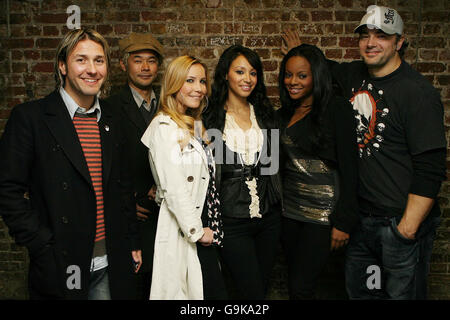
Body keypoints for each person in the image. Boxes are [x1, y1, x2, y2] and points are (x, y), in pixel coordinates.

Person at [281, 5, 446, 299]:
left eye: (382, 36)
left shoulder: (417, 93)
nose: (371, 42)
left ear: (399, 42)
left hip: (397, 221)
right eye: (365, 35)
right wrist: (300, 52)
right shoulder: (351, 74)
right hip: (360, 221)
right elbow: (320, 67)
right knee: (362, 295)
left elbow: (431, 167)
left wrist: (406, 228)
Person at [0, 28, 141, 300]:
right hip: (62, 262)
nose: (92, 69)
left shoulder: (113, 117)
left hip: (110, 260)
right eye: (81, 60)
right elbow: (7, 191)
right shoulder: (32, 118)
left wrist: (132, 241)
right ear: (63, 66)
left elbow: (123, 186)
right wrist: (42, 245)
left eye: (99, 60)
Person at [141, 55, 227, 300]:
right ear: (174, 83)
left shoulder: (194, 124)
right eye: (190, 80)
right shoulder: (164, 127)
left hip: (202, 223)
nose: (199, 88)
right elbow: (174, 187)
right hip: (186, 227)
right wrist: (197, 231)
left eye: (202, 81)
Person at [277, 44, 358, 299]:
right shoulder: (282, 115)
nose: (293, 81)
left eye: (302, 75)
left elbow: (351, 167)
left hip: (323, 217)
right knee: (296, 283)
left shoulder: (336, 108)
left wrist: (343, 222)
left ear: (317, 76)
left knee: (302, 287)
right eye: (288, 75)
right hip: (289, 213)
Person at [203, 45, 282, 300]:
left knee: (262, 285)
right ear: (226, 74)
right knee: (250, 291)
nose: (247, 79)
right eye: (240, 71)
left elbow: (272, 166)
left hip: (269, 218)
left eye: (253, 73)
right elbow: (197, 171)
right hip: (231, 219)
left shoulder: (265, 114)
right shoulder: (208, 118)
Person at [106, 32, 163, 300]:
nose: (145, 67)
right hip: (133, 215)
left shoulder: (169, 102)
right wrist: (126, 202)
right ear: (122, 65)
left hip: (167, 212)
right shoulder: (110, 108)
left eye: (151, 61)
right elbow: (105, 164)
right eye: (137, 60)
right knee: (134, 284)